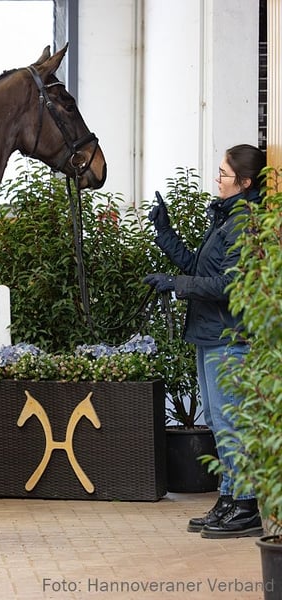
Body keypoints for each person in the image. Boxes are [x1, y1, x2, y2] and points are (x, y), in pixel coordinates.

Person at [143, 143, 266, 539]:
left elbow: (229, 286)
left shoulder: (245, 224)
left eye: (223, 174)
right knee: (216, 421)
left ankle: (245, 506)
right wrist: (164, 232)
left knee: (230, 424)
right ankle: (229, 498)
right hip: (210, 334)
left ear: (245, 183)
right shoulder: (226, 218)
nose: (218, 179)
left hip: (229, 338)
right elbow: (199, 268)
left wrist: (176, 284)